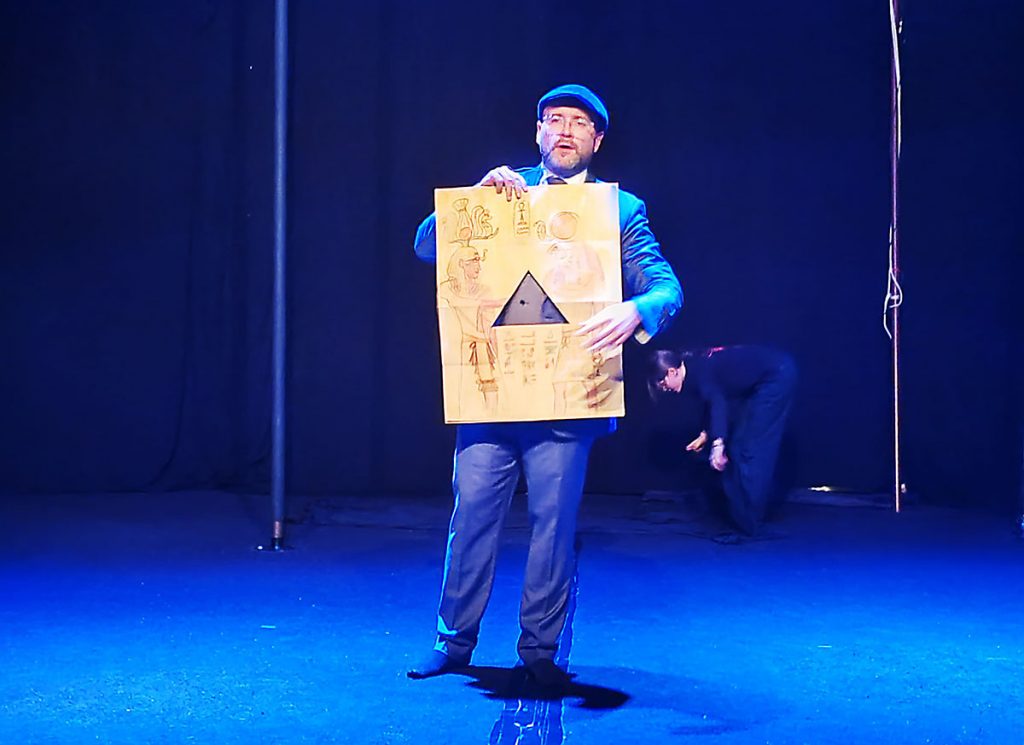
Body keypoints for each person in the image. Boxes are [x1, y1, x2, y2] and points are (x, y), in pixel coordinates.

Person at [409, 84, 682, 687]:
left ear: (597, 140)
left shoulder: (619, 210)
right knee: (470, 517)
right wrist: (471, 201)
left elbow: (666, 287)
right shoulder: (502, 193)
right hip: (491, 395)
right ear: (537, 131)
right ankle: (453, 642)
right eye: (554, 119)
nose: (564, 130)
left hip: (566, 397)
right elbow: (427, 248)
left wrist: (638, 309)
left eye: (579, 123)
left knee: (553, 527)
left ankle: (539, 651)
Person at [648, 345, 797, 537]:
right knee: (738, 446)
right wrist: (705, 434)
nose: (664, 389)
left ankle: (751, 522)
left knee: (749, 449)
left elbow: (717, 402)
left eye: (662, 384)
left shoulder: (698, 371)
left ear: (672, 372)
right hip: (763, 381)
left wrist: (718, 445)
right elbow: (711, 400)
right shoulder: (693, 368)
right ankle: (745, 517)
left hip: (776, 376)